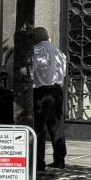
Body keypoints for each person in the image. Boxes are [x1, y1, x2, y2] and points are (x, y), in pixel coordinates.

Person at [31, 27, 68, 172]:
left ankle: (39, 162)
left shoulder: (36, 51)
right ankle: (59, 159)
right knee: (57, 125)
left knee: (39, 128)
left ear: (35, 38)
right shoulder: (59, 53)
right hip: (56, 90)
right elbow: (62, 74)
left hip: (41, 91)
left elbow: (30, 71)